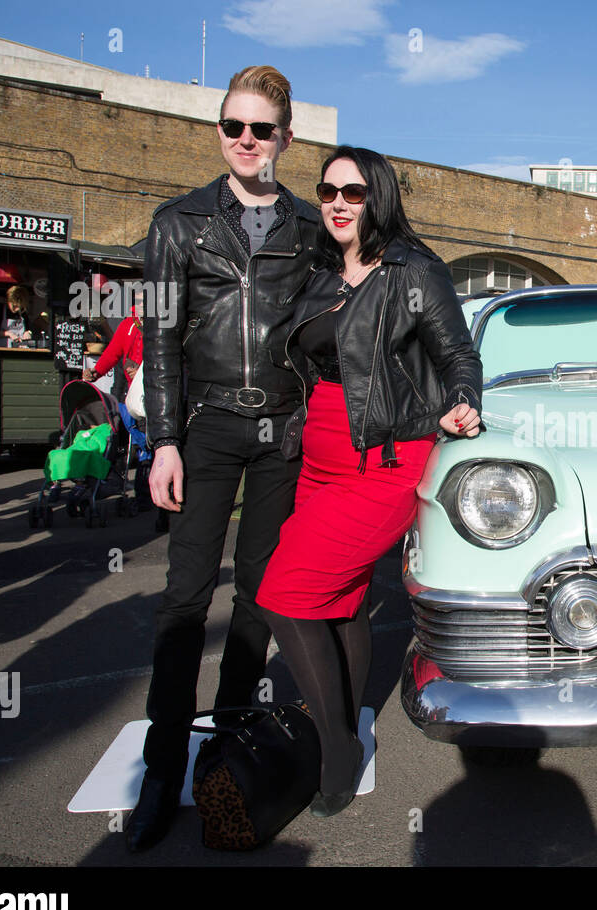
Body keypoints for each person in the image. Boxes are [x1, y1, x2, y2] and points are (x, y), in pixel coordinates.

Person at [127, 64, 326, 852]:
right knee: (183, 600)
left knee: (259, 598)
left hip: (283, 430)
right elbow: (163, 342)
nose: (247, 141)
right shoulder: (176, 223)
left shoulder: (311, 226)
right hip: (205, 427)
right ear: (220, 131)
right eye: (233, 127)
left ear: (286, 137)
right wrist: (164, 440)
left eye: (262, 129)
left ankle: (229, 752)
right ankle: (160, 767)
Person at [256, 146, 482, 818]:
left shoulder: (415, 270)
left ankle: (337, 748)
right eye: (327, 191)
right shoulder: (322, 274)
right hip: (320, 459)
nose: (337, 204)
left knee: (285, 594)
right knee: (342, 599)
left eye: (352, 193)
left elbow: (457, 352)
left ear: (376, 198)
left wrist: (464, 395)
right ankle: (351, 722)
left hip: (385, 460)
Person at [85, 296, 153, 511]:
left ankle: (146, 497)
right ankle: (120, 485)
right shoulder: (128, 324)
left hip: (152, 395)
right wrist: (96, 372)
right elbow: (113, 352)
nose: (142, 305)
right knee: (128, 442)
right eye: (140, 301)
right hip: (129, 396)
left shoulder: (161, 323)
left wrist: (143, 370)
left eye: (146, 301)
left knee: (148, 445)